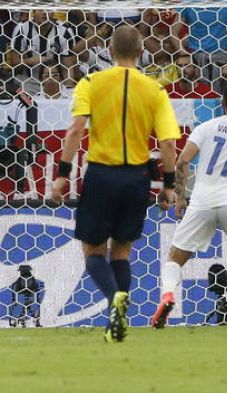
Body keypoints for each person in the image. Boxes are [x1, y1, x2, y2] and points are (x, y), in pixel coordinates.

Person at [51, 26, 180, 342]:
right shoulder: (155, 89)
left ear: (109, 51)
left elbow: (75, 130)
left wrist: (63, 175)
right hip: (135, 178)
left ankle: (114, 300)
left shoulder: (91, 83)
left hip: (101, 174)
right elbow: (167, 143)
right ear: (141, 52)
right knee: (121, 252)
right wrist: (169, 185)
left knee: (92, 250)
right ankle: (117, 322)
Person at [151, 78, 227, 329]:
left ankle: (167, 295)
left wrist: (180, 198)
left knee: (175, 258)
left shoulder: (206, 128)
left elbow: (182, 162)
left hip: (202, 201)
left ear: (222, 102)